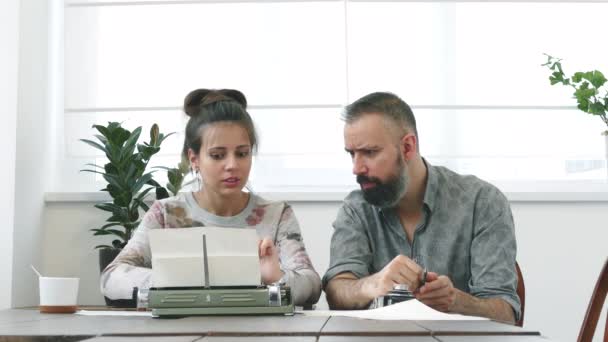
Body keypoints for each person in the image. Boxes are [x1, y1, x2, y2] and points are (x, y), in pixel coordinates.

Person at [101, 88, 321, 306]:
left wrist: (276, 277)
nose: (232, 165)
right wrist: (170, 280)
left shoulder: (277, 215)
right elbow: (111, 277)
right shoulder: (165, 214)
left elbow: (312, 286)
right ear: (194, 158)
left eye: (242, 153)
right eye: (218, 155)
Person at [322, 92, 519, 323]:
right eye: (352, 154)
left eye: (369, 152)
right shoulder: (356, 209)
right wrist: (372, 284)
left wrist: (455, 301)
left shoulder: (482, 202)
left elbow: (506, 315)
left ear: (407, 147)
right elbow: (336, 291)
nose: (356, 168)